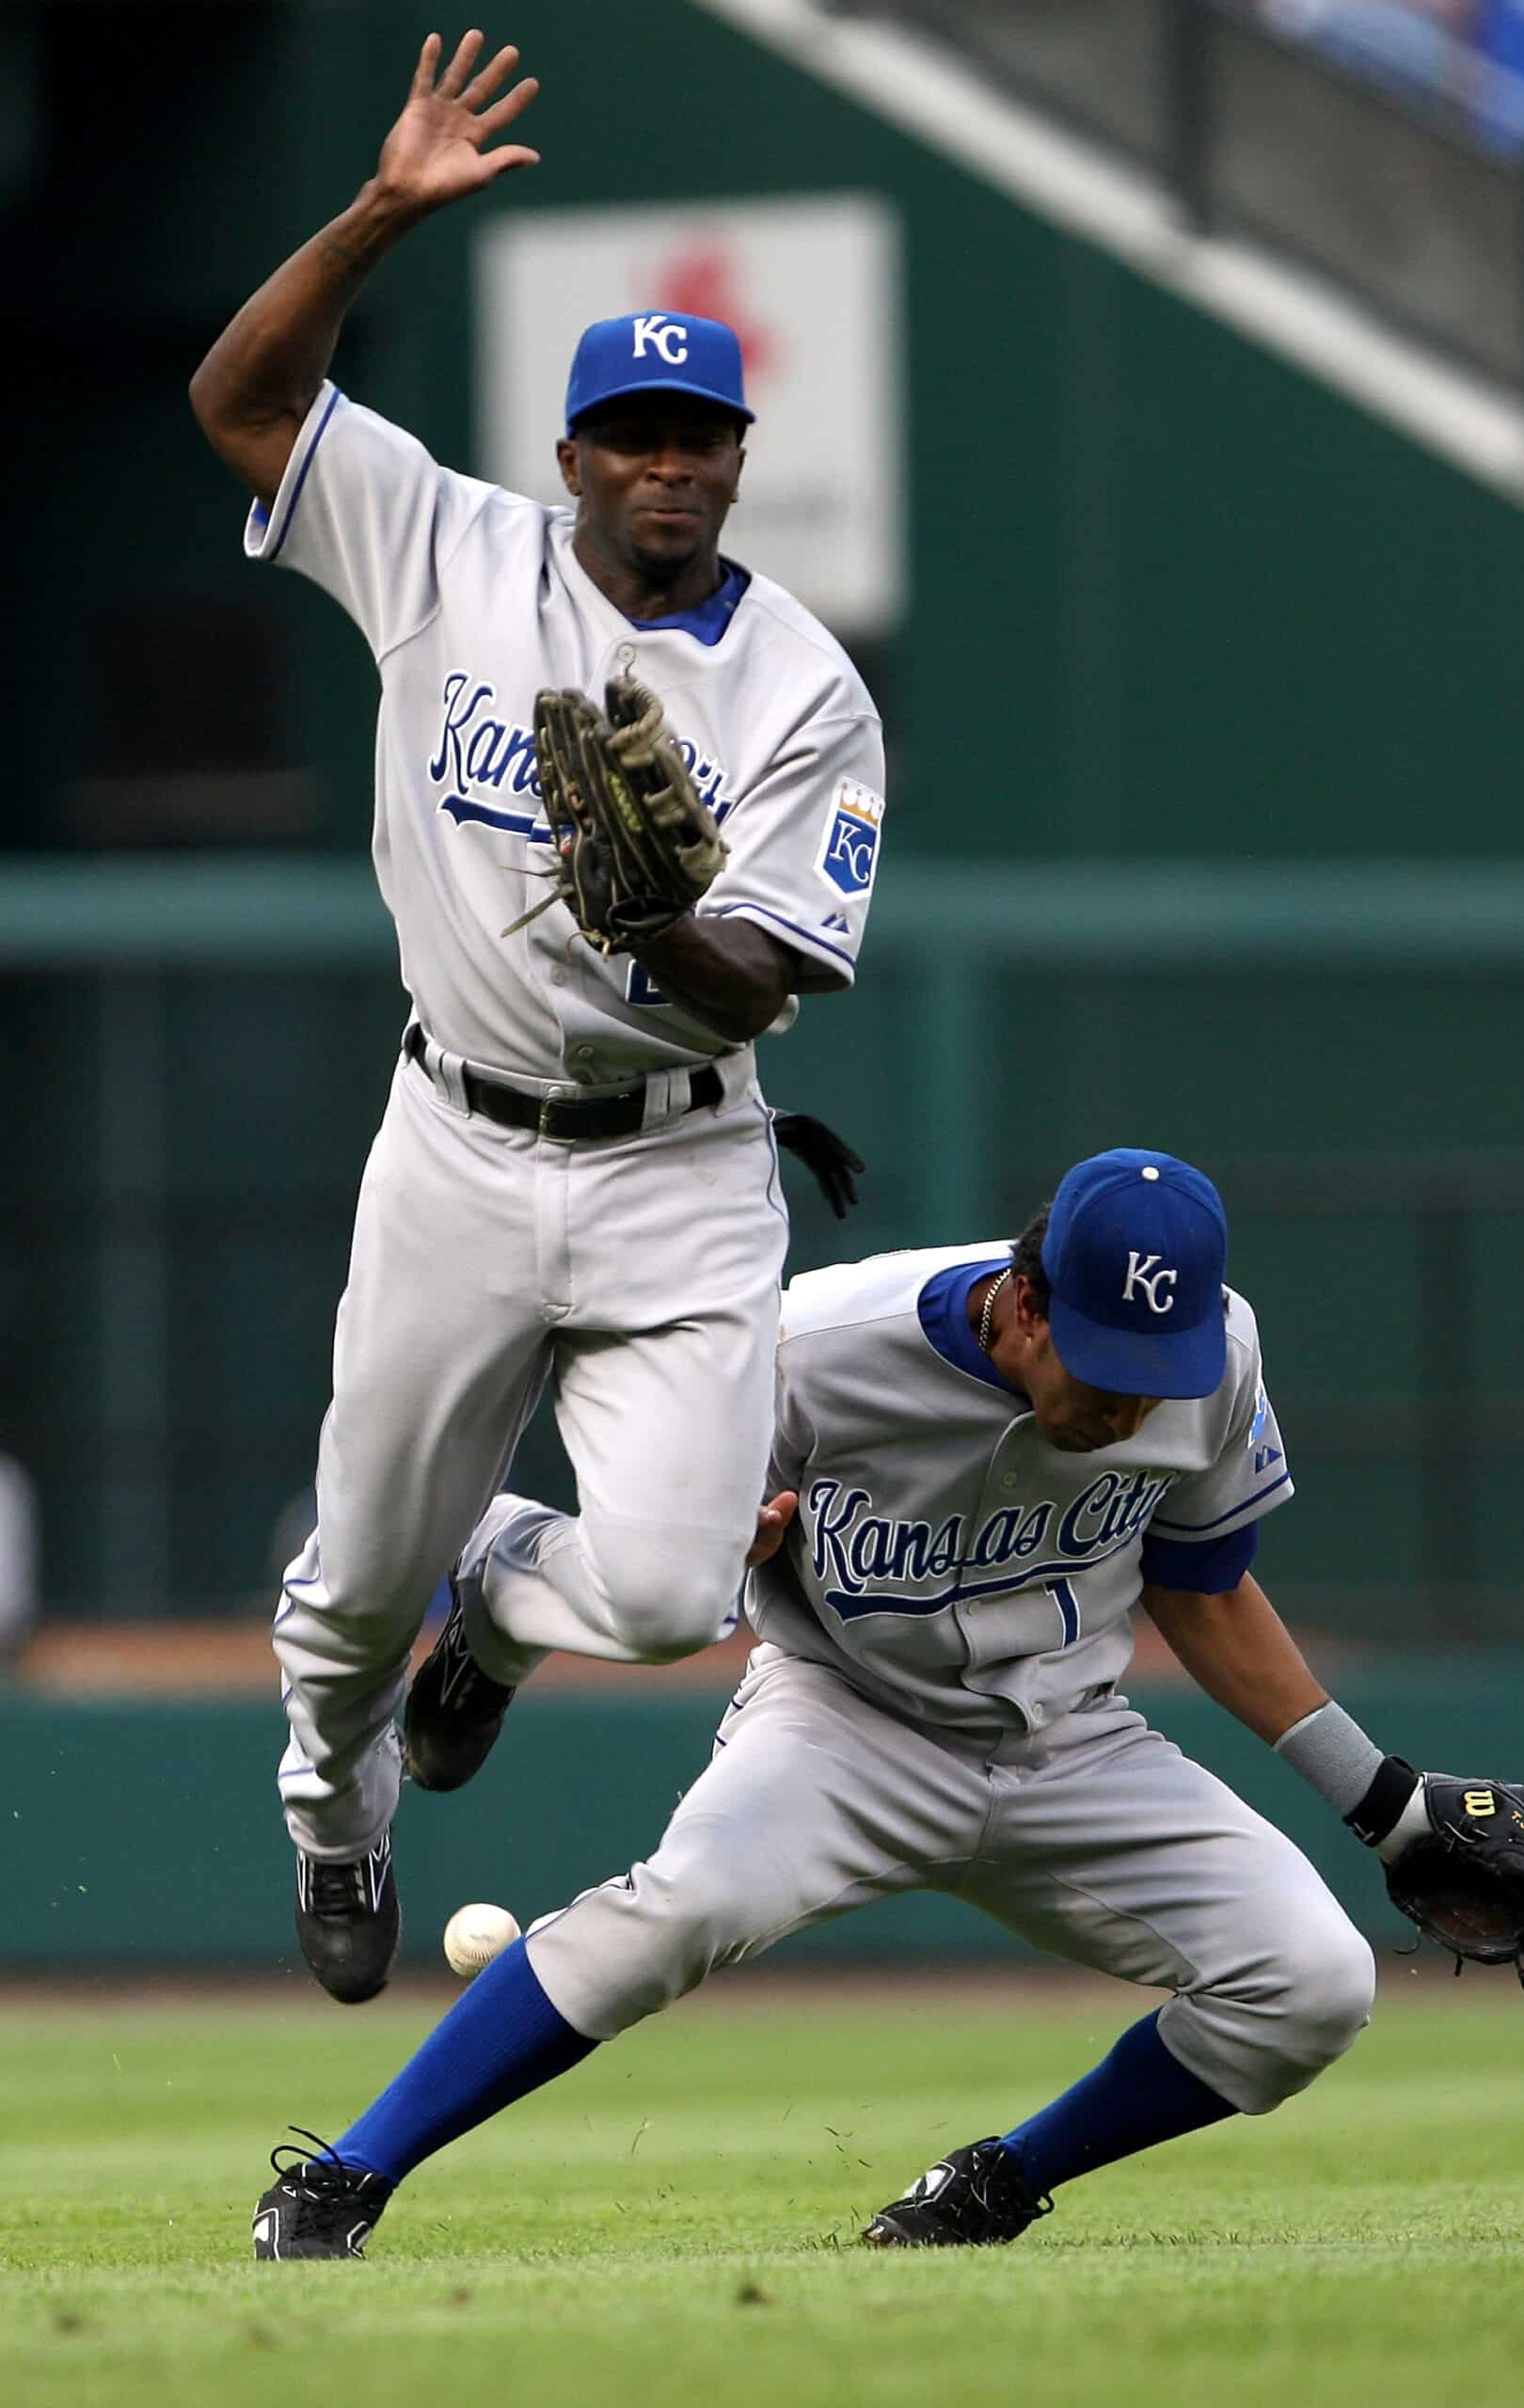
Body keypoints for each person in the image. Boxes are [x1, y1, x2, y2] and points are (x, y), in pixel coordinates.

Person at [189, 28, 886, 2007]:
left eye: (702, 434)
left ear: (739, 456)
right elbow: (235, 401)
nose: (669, 462)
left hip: (679, 1153)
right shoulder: (448, 545)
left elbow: (761, 976)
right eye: (634, 435)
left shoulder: (802, 691)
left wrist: (657, 914)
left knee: (671, 1595)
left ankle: (502, 1595)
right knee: (336, 1604)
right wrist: (377, 215)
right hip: (459, 1145)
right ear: (572, 453)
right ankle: (338, 1802)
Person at [251, 1148, 1452, 2261]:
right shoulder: (814, 1347)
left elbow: (1203, 1587)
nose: (1132, 1406)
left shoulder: (1217, 1351)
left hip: (1074, 1741)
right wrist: (737, 1543)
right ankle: (345, 2174)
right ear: (1026, 1305)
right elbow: (679, 1557)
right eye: (1107, 1368)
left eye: (1158, 1373)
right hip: (843, 1720)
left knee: (1314, 1983)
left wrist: (1382, 1803)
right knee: (678, 1909)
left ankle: (993, 2185)